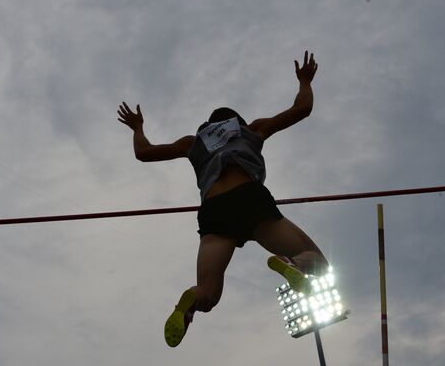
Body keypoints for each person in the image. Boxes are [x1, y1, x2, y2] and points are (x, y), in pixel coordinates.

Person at [117, 51, 329, 347]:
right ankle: (291, 264)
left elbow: (144, 153)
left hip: (214, 211)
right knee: (318, 262)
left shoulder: (193, 142)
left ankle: (191, 303)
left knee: (208, 292)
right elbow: (302, 108)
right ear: (236, 120)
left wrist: (138, 127)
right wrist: (305, 81)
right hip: (249, 200)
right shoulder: (251, 128)